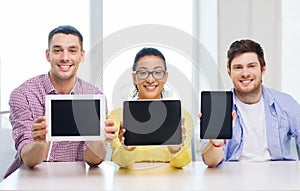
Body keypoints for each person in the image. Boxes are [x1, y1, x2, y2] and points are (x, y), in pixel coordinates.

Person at [4, 25, 117, 178]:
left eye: (72, 50)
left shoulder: (94, 96)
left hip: (76, 179)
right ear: (48, 55)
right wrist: (41, 143)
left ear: (82, 55)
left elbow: (93, 160)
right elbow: (28, 159)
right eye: (57, 50)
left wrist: (98, 139)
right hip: (29, 178)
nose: (65, 58)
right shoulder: (23, 94)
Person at [202, 39, 300, 167]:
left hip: (278, 178)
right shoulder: (218, 107)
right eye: (238, 67)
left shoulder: (285, 103)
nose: (245, 73)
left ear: (263, 69)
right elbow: (211, 162)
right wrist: (216, 142)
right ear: (229, 72)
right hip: (232, 179)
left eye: (251, 66)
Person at [106, 47, 193, 168]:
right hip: (128, 184)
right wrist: (128, 150)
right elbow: (119, 161)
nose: (150, 79)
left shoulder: (182, 116)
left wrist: (175, 150)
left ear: (165, 76)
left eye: (157, 72)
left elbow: (182, 163)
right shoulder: (117, 116)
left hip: (171, 185)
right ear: (134, 77)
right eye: (142, 72)